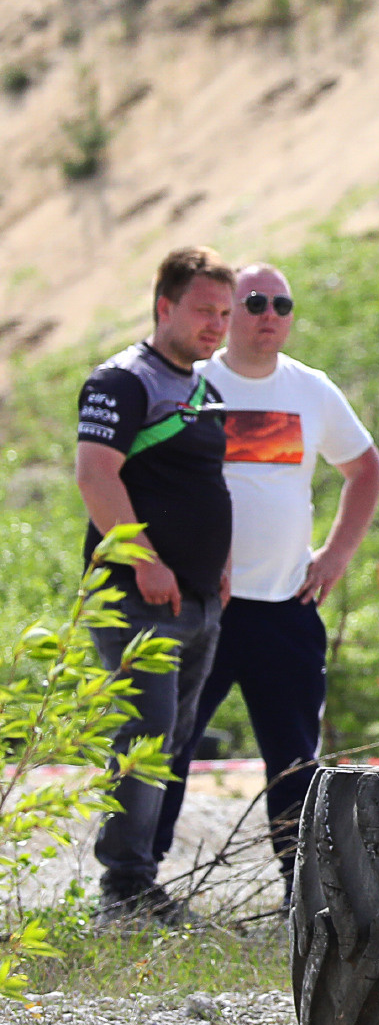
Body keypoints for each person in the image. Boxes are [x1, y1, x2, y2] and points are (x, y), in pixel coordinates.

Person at [157, 263, 379, 902]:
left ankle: (300, 893)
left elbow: (365, 469)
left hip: (286, 605)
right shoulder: (193, 383)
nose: (269, 315)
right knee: (169, 746)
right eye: (255, 302)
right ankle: (138, 885)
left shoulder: (310, 389)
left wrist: (337, 554)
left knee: (292, 758)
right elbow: (150, 475)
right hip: (203, 605)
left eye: (282, 304)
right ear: (228, 309)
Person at [72, 246, 235, 926]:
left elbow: (202, 486)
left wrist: (217, 567)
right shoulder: (123, 380)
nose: (216, 325)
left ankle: (142, 881)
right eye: (203, 309)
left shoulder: (202, 387)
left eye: (224, 313)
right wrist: (143, 558)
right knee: (144, 734)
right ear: (163, 305)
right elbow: (95, 475)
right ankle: (123, 891)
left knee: (172, 737)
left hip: (196, 599)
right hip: (137, 595)